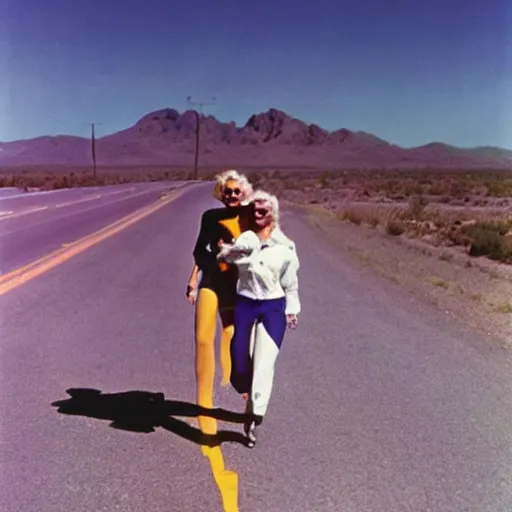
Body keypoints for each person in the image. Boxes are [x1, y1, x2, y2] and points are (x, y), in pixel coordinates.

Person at [217, 190, 300, 447]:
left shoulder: (285, 247)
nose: (257, 214)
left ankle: (254, 417)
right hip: (246, 303)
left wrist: (292, 309)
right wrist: (225, 251)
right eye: (254, 210)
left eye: (262, 211)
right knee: (240, 359)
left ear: (272, 214)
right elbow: (225, 259)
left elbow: (290, 283)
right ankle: (248, 395)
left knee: (265, 363)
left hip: (273, 306)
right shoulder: (245, 240)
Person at [187, 169, 253, 445]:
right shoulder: (210, 217)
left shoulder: (252, 216)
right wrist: (193, 279)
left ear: (244, 193)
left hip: (237, 286)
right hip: (212, 281)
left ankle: (240, 385)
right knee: (203, 339)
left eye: (237, 191)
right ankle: (204, 404)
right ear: (220, 193)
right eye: (227, 191)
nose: (232, 195)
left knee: (232, 336)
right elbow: (199, 250)